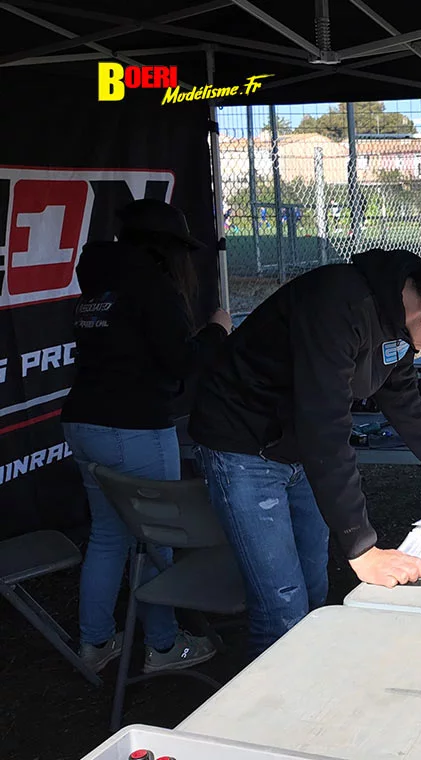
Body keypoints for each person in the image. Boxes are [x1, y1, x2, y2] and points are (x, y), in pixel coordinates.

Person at [188, 249, 421, 655]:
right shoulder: (339, 306)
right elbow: (325, 427)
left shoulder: (398, 314)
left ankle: (308, 677)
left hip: (295, 446)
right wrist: (361, 545)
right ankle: (279, 710)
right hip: (242, 445)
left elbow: (399, 391)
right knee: (281, 605)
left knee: (313, 583)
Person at [62, 199, 232, 675]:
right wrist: (218, 331)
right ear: (167, 248)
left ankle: (95, 643)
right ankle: (162, 645)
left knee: (108, 536)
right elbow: (180, 361)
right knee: (156, 537)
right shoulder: (152, 285)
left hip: (83, 420)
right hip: (134, 426)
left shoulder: (101, 281)